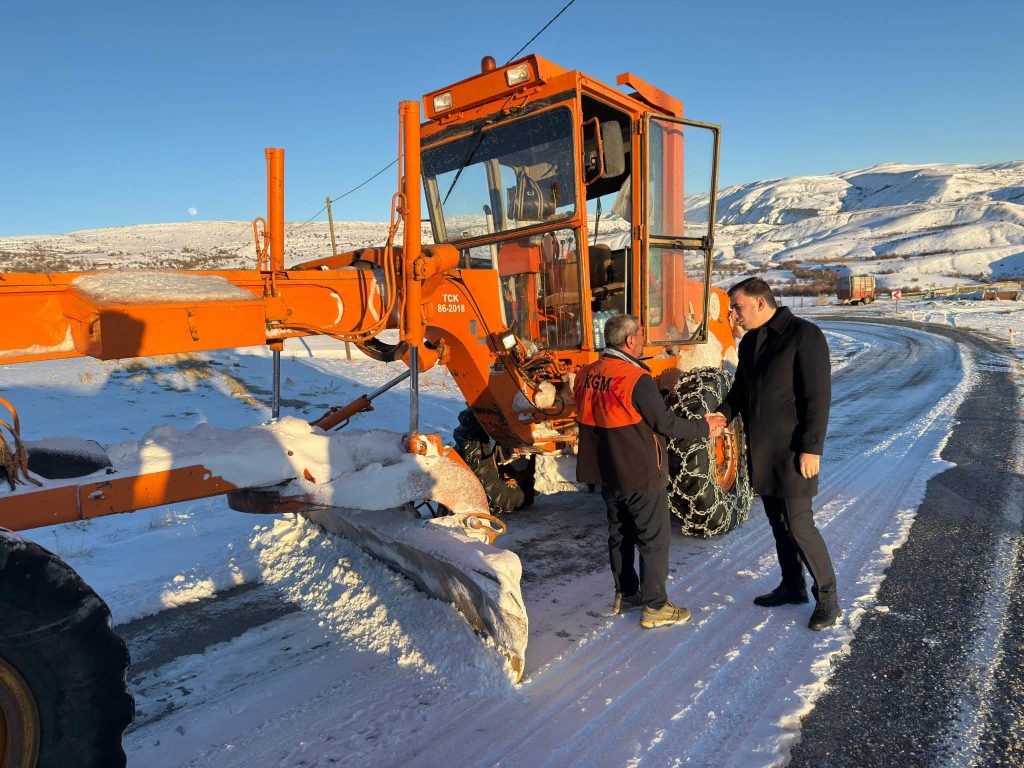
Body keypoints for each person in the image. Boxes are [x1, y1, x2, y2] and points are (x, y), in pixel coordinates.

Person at [574, 314, 726, 628]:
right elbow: (665, 424)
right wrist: (704, 426)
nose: (643, 339)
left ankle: (626, 594)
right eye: (641, 334)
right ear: (630, 341)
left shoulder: (587, 374)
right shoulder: (635, 378)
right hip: (641, 471)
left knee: (620, 534)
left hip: (607, 471)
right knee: (654, 539)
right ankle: (656, 606)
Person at [714, 278, 840, 631]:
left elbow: (818, 398)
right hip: (763, 451)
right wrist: (722, 414)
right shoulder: (752, 341)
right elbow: (741, 390)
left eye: (737, 307)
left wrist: (811, 448)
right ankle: (792, 585)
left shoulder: (805, 335)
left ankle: (828, 598)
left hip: (794, 452)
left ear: (758, 302)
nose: (733, 315)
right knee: (778, 524)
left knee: (800, 525)